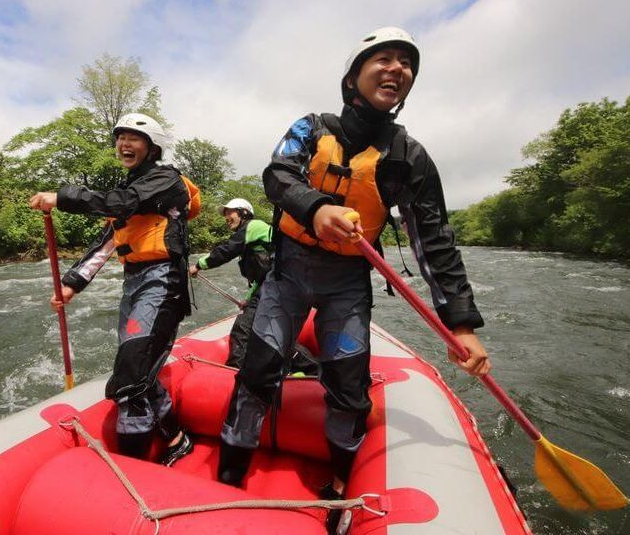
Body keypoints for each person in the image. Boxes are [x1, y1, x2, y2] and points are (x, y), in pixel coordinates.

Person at [216, 27, 491, 529]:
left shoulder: (409, 156)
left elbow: (434, 241)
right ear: (353, 78)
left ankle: (341, 489)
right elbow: (278, 174)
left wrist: (462, 322)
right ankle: (230, 473)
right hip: (288, 272)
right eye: (383, 59)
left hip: (348, 281)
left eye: (406, 64)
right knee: (257, 370)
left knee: (348, 384)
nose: (397, 69)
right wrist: (316, 207)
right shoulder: (310, 126)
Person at [29, 112, 200, 466]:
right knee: (139, 365)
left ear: (152, 148)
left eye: (133, 138)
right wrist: (71, 285)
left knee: (130, 373)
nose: (124, 144)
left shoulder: (166, 180)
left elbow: (120, 202)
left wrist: (62, 197)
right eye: (120, 137)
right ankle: (176, 439)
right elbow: (106, 244)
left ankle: (132, 464)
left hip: (163, 281)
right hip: (135, 281)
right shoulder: (130, 193)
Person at [189, 198, 273, 368]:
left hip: (277, 285)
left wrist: (198, 265)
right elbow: (260, 278)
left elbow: (226, 250)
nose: (226, 217)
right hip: (271, 285)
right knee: (267, 333)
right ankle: (308, 366)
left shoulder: (253, 226)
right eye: (225, 214)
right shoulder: (250, 243)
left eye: (230, 212)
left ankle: (233, 374)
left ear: (244, 213)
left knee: (242, 329)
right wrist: (248, 299)